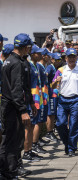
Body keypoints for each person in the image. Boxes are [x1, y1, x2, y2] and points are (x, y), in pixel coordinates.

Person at [0, 33, 34, 179]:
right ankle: (8, 172)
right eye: (29, 48)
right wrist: (22, 110)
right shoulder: (16, 63)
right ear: (25, 47)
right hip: (11, 107)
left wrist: (31, 102)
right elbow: (16, 89)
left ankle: (9, 171)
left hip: (10, 106)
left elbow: (24, 87)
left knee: (12, 140)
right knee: (11, 141)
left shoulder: (9, 60)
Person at [52, 48, 78, 157]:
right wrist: (56, 81)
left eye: (74, 57)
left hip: (76, 100)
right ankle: (67, 143)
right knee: (60, 124)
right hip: (63, 100)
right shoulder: (60, 70)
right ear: (66, 58)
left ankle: (71, 149)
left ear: (76, 57)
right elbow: (53, 86)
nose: (72, 59)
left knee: (74, 125)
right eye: (69, 57)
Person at [44, 53, 62, 142]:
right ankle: (49, 132)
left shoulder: (57, 68)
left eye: (60, 60)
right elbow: (45, 76)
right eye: (57, 60)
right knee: (50, 113)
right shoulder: (50, 67)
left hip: (55, 93)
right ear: (52, 60)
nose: (58, 62)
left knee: (53, 113)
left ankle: (51, 130)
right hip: (50, 93)